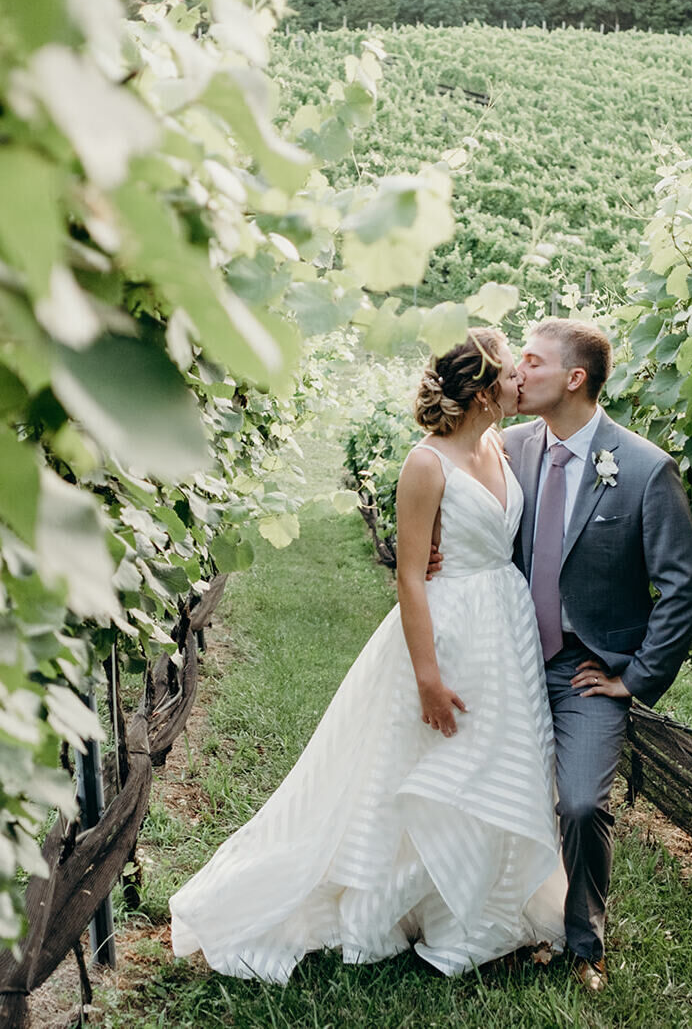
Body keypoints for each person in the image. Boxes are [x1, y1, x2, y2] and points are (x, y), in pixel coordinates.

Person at [169, 329, 567, 982]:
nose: (522, 382)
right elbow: (411, 575)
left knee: (495, 760)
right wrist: (429, 678)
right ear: (482, 391)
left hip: (507, 626)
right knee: (434, 766)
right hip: (448, 629)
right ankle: (406, 902)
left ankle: (476, 910)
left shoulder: (499, 443)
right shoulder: (426, 463)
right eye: (510, 375)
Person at [502, 318, 692, 992]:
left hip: (587, 670)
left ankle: (585, 942)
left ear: (575, 377)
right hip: (507, 657)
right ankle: (508, 924)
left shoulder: (645, 468)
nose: (518, 370)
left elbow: (682, 585)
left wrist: (635, 676)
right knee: (499, 795)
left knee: (583, 803)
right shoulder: (505, 449)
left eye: (532, 360)